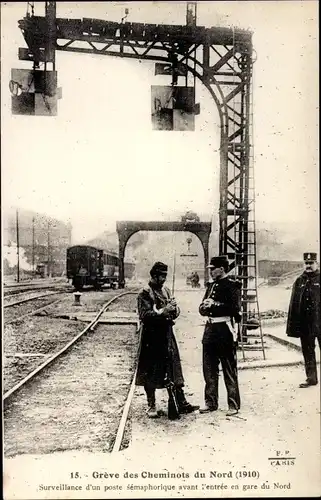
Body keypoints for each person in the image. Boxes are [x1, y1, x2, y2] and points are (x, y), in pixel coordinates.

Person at [136, 261, 199, 418]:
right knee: (151, 371)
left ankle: (180, 401)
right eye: (161, 276)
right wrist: (164, 311)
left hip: (167, 335)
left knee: (173, 369)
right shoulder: (145, 293)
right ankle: (151, 405)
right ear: (154, 275)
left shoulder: (166, 290)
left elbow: (174, 313)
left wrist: (175, 309)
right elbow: (145, 316)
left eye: (165, 276)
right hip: (151, 337)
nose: (163, 279)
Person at [199, 256, 242, 417]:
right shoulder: (211, 286)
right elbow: (202, 308)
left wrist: (215, 305)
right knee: (209, 369)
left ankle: (233, 404)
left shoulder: (232, 286)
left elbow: (235, 309)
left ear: (222, 269)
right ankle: (211, 402)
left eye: (213, 269)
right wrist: (203, 307)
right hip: (210, 331)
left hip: (225, 330)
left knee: (229, 369)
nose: (210, 271)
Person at [286, 252, 320, 388]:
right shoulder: (300, 280)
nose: (308, 266)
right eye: (306, 263)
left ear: (316, 263)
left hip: (320, 323)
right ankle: (311, 378)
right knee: (307, 351)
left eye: (311, 263)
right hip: (306, 324)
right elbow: (293, 304)